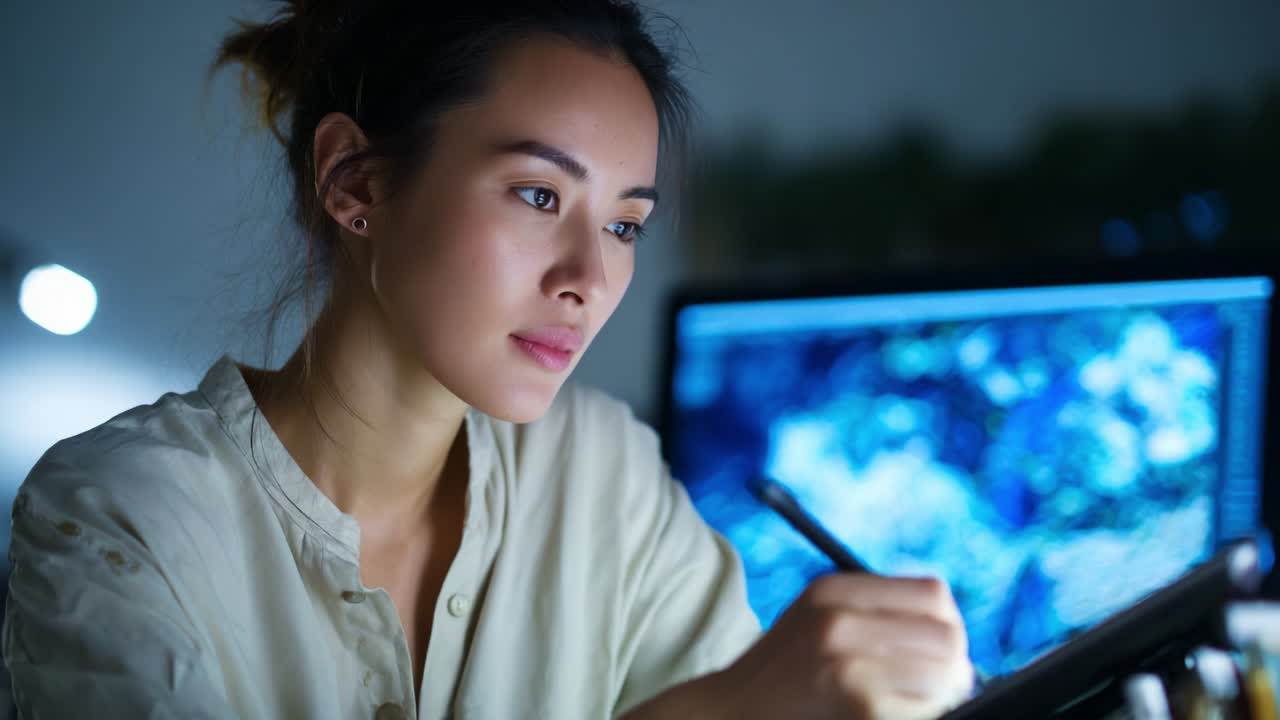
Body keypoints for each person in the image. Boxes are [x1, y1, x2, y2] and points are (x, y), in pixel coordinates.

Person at [2, 1, 974, 718]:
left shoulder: (603, 473)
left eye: (625, 224)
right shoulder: (120, 515)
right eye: (538, 196)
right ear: (354, 184)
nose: (589, 276)